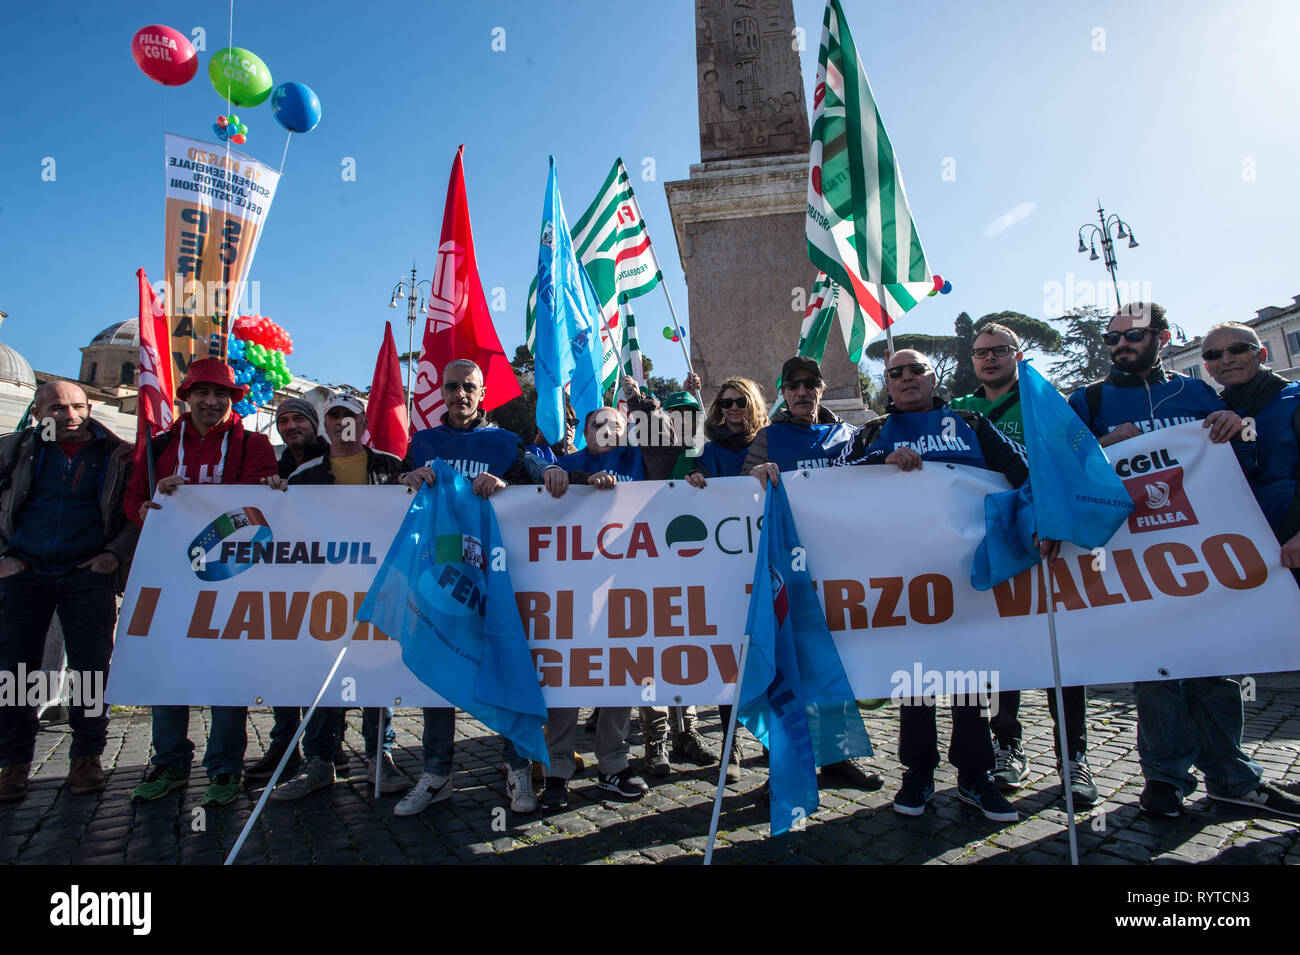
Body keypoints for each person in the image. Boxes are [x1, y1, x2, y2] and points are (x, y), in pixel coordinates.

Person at [1068, 304, 1300, 818]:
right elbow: (1059, 469)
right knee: (1156, 669)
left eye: (1132, 335)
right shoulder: (1088, 400)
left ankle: (1230, 777)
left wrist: (1232, 423)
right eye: (1112, 339)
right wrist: (1103, 444)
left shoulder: (1198, 394)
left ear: (1163, 337)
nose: (1120, 345)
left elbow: (1237, 466)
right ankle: (1164, 779)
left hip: (1204, 555)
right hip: (1135, 558)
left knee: (1216, 667)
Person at [837, 349, 1054, 822]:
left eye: (917, 370)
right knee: (915, 678)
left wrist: (1040, 523)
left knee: (969, 677)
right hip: (904, 576)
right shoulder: (870, 434)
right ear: (887, 385)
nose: (907, 377)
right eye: (896, 373)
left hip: (971, 573)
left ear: (933, 378)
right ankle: (918, 772)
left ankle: (975, 776)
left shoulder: (971, 423)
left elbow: (1024, 475)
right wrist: (879, 461)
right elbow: (835, 487)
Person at [950, 324, 1097, 804]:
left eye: (999, 351)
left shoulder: (1047, 401)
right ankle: (1008, 744)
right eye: (980, 353)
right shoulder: (963, 413)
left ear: (1018, 355)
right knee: (1002, 651)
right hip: (993, 540)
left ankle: (1073, 758)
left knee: (1061, 652)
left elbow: (1074, 462)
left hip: (1047, 538)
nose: (989, 359)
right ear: (972, 361)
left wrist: (1052, 518)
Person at [123, 358, 278, 807]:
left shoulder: (254, 443)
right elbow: (134, 500)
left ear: (233, 401)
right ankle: (170, 762)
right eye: (203, 394)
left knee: (225, 673)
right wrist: (151, 506)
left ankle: (226, 767)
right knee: (167, 669)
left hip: (231, 578)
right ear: (187, 397)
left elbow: (259, 505)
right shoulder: (158, 446)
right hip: (170, 577)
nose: (212, 402)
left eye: (222, 395)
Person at [398, 359, 549, 816]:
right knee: (439, 668)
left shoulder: (504, 442)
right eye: (451, 386)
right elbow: (395, 495)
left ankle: (516, 766)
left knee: (499, 665)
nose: (459, 394)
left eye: (468, 387)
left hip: (493, 575)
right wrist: (405, 479)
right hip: (437, 575)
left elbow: (537, 489)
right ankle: (436, 774)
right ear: (440, 393)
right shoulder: (423, 442)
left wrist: (509, 484)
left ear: (483, 394)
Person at [742, 356, 882, 792]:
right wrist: (756, 474)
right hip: (789, 570)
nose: (802, 392)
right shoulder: (769, 436)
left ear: (822, 388)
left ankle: (839, 760)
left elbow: (874, 476)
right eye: (793, 386)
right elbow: (742, 481)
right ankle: (784, 767)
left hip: (841, 566)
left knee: (833, 663)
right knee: (790, 664)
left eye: (810, 384)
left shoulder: (850, 435)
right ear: (783, 392)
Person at [533, 398, 679, 807]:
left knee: (620, 673)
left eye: (615, 425)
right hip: (569, 590)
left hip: (625, 585)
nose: (606, 430)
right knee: (564, 679)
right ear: (584, 433)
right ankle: (556, 771)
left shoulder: (637, 457)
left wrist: (647, 409)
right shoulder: (566, 462)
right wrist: (566, 474)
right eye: (598, 424)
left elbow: (670, 444)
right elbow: (530, 471)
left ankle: (613, 764)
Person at [267, 393, 410, 801]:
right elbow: (285, 530)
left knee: (377, 672)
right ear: (325, 426)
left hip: (379, 589)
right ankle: (319, 762)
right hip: (324, 592)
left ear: (364, 422)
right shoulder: (304, 475)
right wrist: (273, 493)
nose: (342, 423)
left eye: (350, 415)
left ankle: (378, 756)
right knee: (320, 674)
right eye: (335, 416)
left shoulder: (392, 466)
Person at [0, 381, 137, 802]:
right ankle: (14, 762)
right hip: (24, 571)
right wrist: (3, 555)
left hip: (87, 573)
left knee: (92, 669)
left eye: (78, 406)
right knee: (16, 670)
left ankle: (88, 756)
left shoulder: (117, 453)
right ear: (38, 409)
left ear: (91, 406)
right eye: (58, 408)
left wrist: (112, 555)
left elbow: (139, 508)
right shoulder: (13, 449)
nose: (70, 415)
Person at [685, 376, 771, 781]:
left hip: (770, 560)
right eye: (726, 403)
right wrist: (693, 483)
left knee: (774, 651)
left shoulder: (775, 441)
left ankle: (777, 742)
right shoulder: (711, 452)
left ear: (753, 404)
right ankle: (731, 742)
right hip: (727, 565)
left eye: (740, 402)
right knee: (730, 658)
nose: (733, 409)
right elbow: (696, 493)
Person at [246, 396, 336, 783]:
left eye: (299, 418)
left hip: (330, 579)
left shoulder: (336, 461)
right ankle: (284, 748)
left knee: (322, 669)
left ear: (314, 424)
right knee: (283, 666)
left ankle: (327, 750)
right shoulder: (274, 466)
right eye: (283, 421)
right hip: (284, 582)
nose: (290, 426)